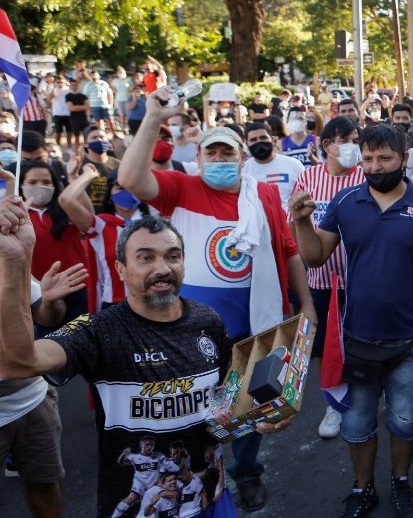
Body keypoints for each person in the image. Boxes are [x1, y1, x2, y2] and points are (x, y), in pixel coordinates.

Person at [0, 212, 293, 517]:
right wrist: (13, 262)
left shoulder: (208, 320)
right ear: (121, 269)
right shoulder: (98, 329)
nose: (162, 269)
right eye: (145, 258)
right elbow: (19, 363)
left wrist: (263, 414)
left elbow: (224, 397)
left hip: (210, 499)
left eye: (173, 256)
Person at [118, 86, 315, 511]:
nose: (221, 160)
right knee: (196, 412)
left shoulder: (263, 195)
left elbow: (288, 251)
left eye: (229, 153)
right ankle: (198, 479)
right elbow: (131, 179)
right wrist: (153, 117)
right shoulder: (181, 188)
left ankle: (245, 474)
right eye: (213, 153)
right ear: (199, 158)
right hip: (191, 334)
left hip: (253, 330)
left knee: (247, 408)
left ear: (242, 159)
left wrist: (307, 306)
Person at [291, 124, 413, 518]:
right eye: (368, 159)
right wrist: (301, 222)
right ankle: (362, 487)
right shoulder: (345, 202)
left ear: (404, 158)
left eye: (385, 158)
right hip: (356, 338)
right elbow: (315, 257)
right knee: (357, 425)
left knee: (404, 422)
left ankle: (400, 481)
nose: (376, 166)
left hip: (411, 342)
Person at [288, 116, 365, 440]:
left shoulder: (365, 176)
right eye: (346, 141)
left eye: (356, 140)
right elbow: (293, 223)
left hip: (360, 281)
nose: (353, 147)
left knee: (360, 343)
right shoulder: (308, 177)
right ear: (328, 145)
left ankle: (362, 398)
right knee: (323, 347)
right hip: (319, 280)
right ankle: (333, 402)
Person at [0, 252, 88, 518]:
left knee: (45, 485)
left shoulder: (8, 259)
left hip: (33, 400)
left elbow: (48, 317)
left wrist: (50, 300)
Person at [59, 164, 148, 309]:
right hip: (114, 306)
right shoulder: (102, 225)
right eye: (119, 187)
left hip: (151, 304)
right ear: (110, 194)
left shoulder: (156, 224)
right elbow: (66, 200)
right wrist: (86, 176)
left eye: (131, 187)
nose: (126, 192)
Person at [19, 160, 93, 331]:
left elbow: (89, 220)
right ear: (22, 185)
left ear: (55, 184)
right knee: (50, 339)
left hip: (78, 286)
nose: (40, 186)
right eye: (32, 182)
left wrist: (74, 177)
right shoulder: (17, 215)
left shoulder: (66, 208)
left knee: (83, 337)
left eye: (46, 182)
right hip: (41, 293)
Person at [244, 121, 306, 211]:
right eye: (253, 140)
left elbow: (306, 195)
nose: (259, 142)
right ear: (247, 144)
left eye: (263, 138)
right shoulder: (243, 170)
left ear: (272, 140)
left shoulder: (294, 165)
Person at [71, 125, 121, 209]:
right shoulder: (78, 165)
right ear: (86, 144)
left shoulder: (118, 165)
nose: (99, 140)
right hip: (87, 212)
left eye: (102, 137)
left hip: (111, 212)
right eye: (94, 138)